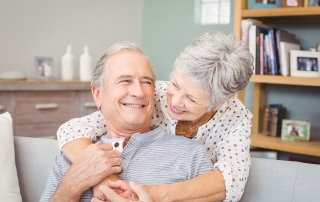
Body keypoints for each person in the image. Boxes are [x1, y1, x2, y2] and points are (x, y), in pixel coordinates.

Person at [57, 32, 254, 201]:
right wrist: (104, 179)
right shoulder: (151, 93)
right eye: (175, 84)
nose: (175, 102)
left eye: (192, 99)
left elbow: (232, 181)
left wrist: (152, 194)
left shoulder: (235, 117)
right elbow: (72, 130)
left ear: (219, 103)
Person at [40, 41, 214, 202]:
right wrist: (73, 184)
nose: (139, 92)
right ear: (98, 94)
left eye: (146, 82)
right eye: (125, 81)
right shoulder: (71, 156)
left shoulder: (191, 155)